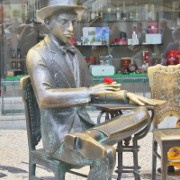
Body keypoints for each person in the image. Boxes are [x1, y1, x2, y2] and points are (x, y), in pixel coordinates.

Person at [26, 0, 165, 179]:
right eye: (63, 22)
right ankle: (84, 139)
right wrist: (89, 92)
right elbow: (45, 98)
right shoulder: (37, 54)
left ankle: (89, 136)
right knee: (105, 154)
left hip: (85, 130)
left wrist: (125, 96)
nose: (70, 28)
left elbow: (94, 94)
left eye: (73, 23)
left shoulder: (75, 54)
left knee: (141, 113)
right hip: (60, 137)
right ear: (48, 23)